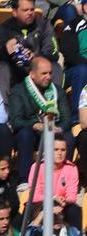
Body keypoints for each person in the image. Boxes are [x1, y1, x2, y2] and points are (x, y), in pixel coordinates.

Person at [9, 56, 71, 185]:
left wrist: (60, 128)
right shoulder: (18, 91)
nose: (48, 76)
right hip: (31, 133)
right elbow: (16, 121)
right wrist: (35, 125)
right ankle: (24, 180)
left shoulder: (57, 91)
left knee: (68, 136)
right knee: (25, 134)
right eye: (44, 73)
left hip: (54, 131)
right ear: (32, 74)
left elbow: (66, 118)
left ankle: (64, 179)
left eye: (50, 73)